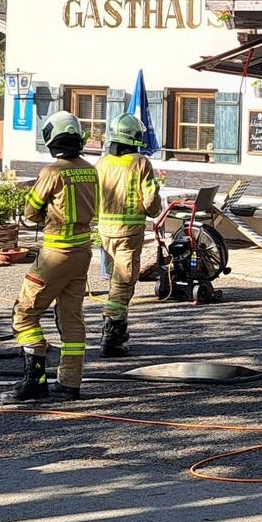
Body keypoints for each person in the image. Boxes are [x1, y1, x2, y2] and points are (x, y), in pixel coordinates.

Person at [5, 111, 99, 402]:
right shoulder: (90, 169)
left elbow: (32, 212)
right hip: (82, 253)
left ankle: (35, 381)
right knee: (71, 318)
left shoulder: (52, 172)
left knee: (25, 314)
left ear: (51, 138)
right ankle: (70, 382)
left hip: (56, 253)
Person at [93, 111, 163, 358]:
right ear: (134, 137)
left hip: (105, 232)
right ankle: (112, 336)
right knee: (123, 285)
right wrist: (153, 211)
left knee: (115, 280)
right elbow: (152, 200)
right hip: (129, 233)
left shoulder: (101, 164)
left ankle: (116, 331)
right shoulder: (140, 163)